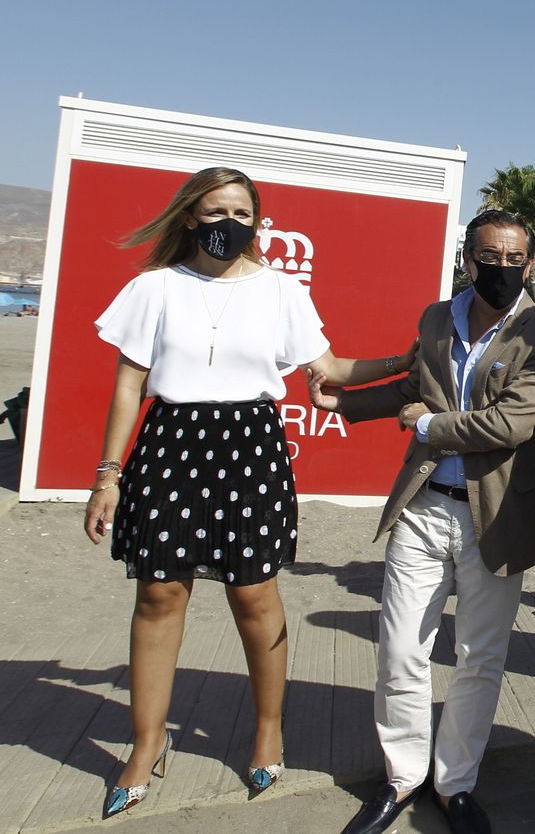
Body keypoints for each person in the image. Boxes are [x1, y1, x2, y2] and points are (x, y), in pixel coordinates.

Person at [83, 167, 413, 818]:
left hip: (250, 448)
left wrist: (404, 360)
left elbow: (330, 367)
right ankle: (147, 743)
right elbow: (128, 384)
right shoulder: (154, 287)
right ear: (189, 216)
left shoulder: (281, 290)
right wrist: (107, 475)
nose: (228, 223)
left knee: (254, 593)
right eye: (215, 211)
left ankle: (267, 729)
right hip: (170, 444)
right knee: (159, 592)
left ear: (257, 221)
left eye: (241, 212)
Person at [311, 210, 535, 834]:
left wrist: (427, 426)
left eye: (515, 260)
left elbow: (511, 425)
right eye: (491, 257)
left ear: (531, 264)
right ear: (468, 260)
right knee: (401, 649)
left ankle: (455, 784)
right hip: (425, 507)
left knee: (480, 657)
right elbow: (415, 389)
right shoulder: (436, 318)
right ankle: (403, 776)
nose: (502, 269)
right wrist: (343, 403)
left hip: (497, 514)